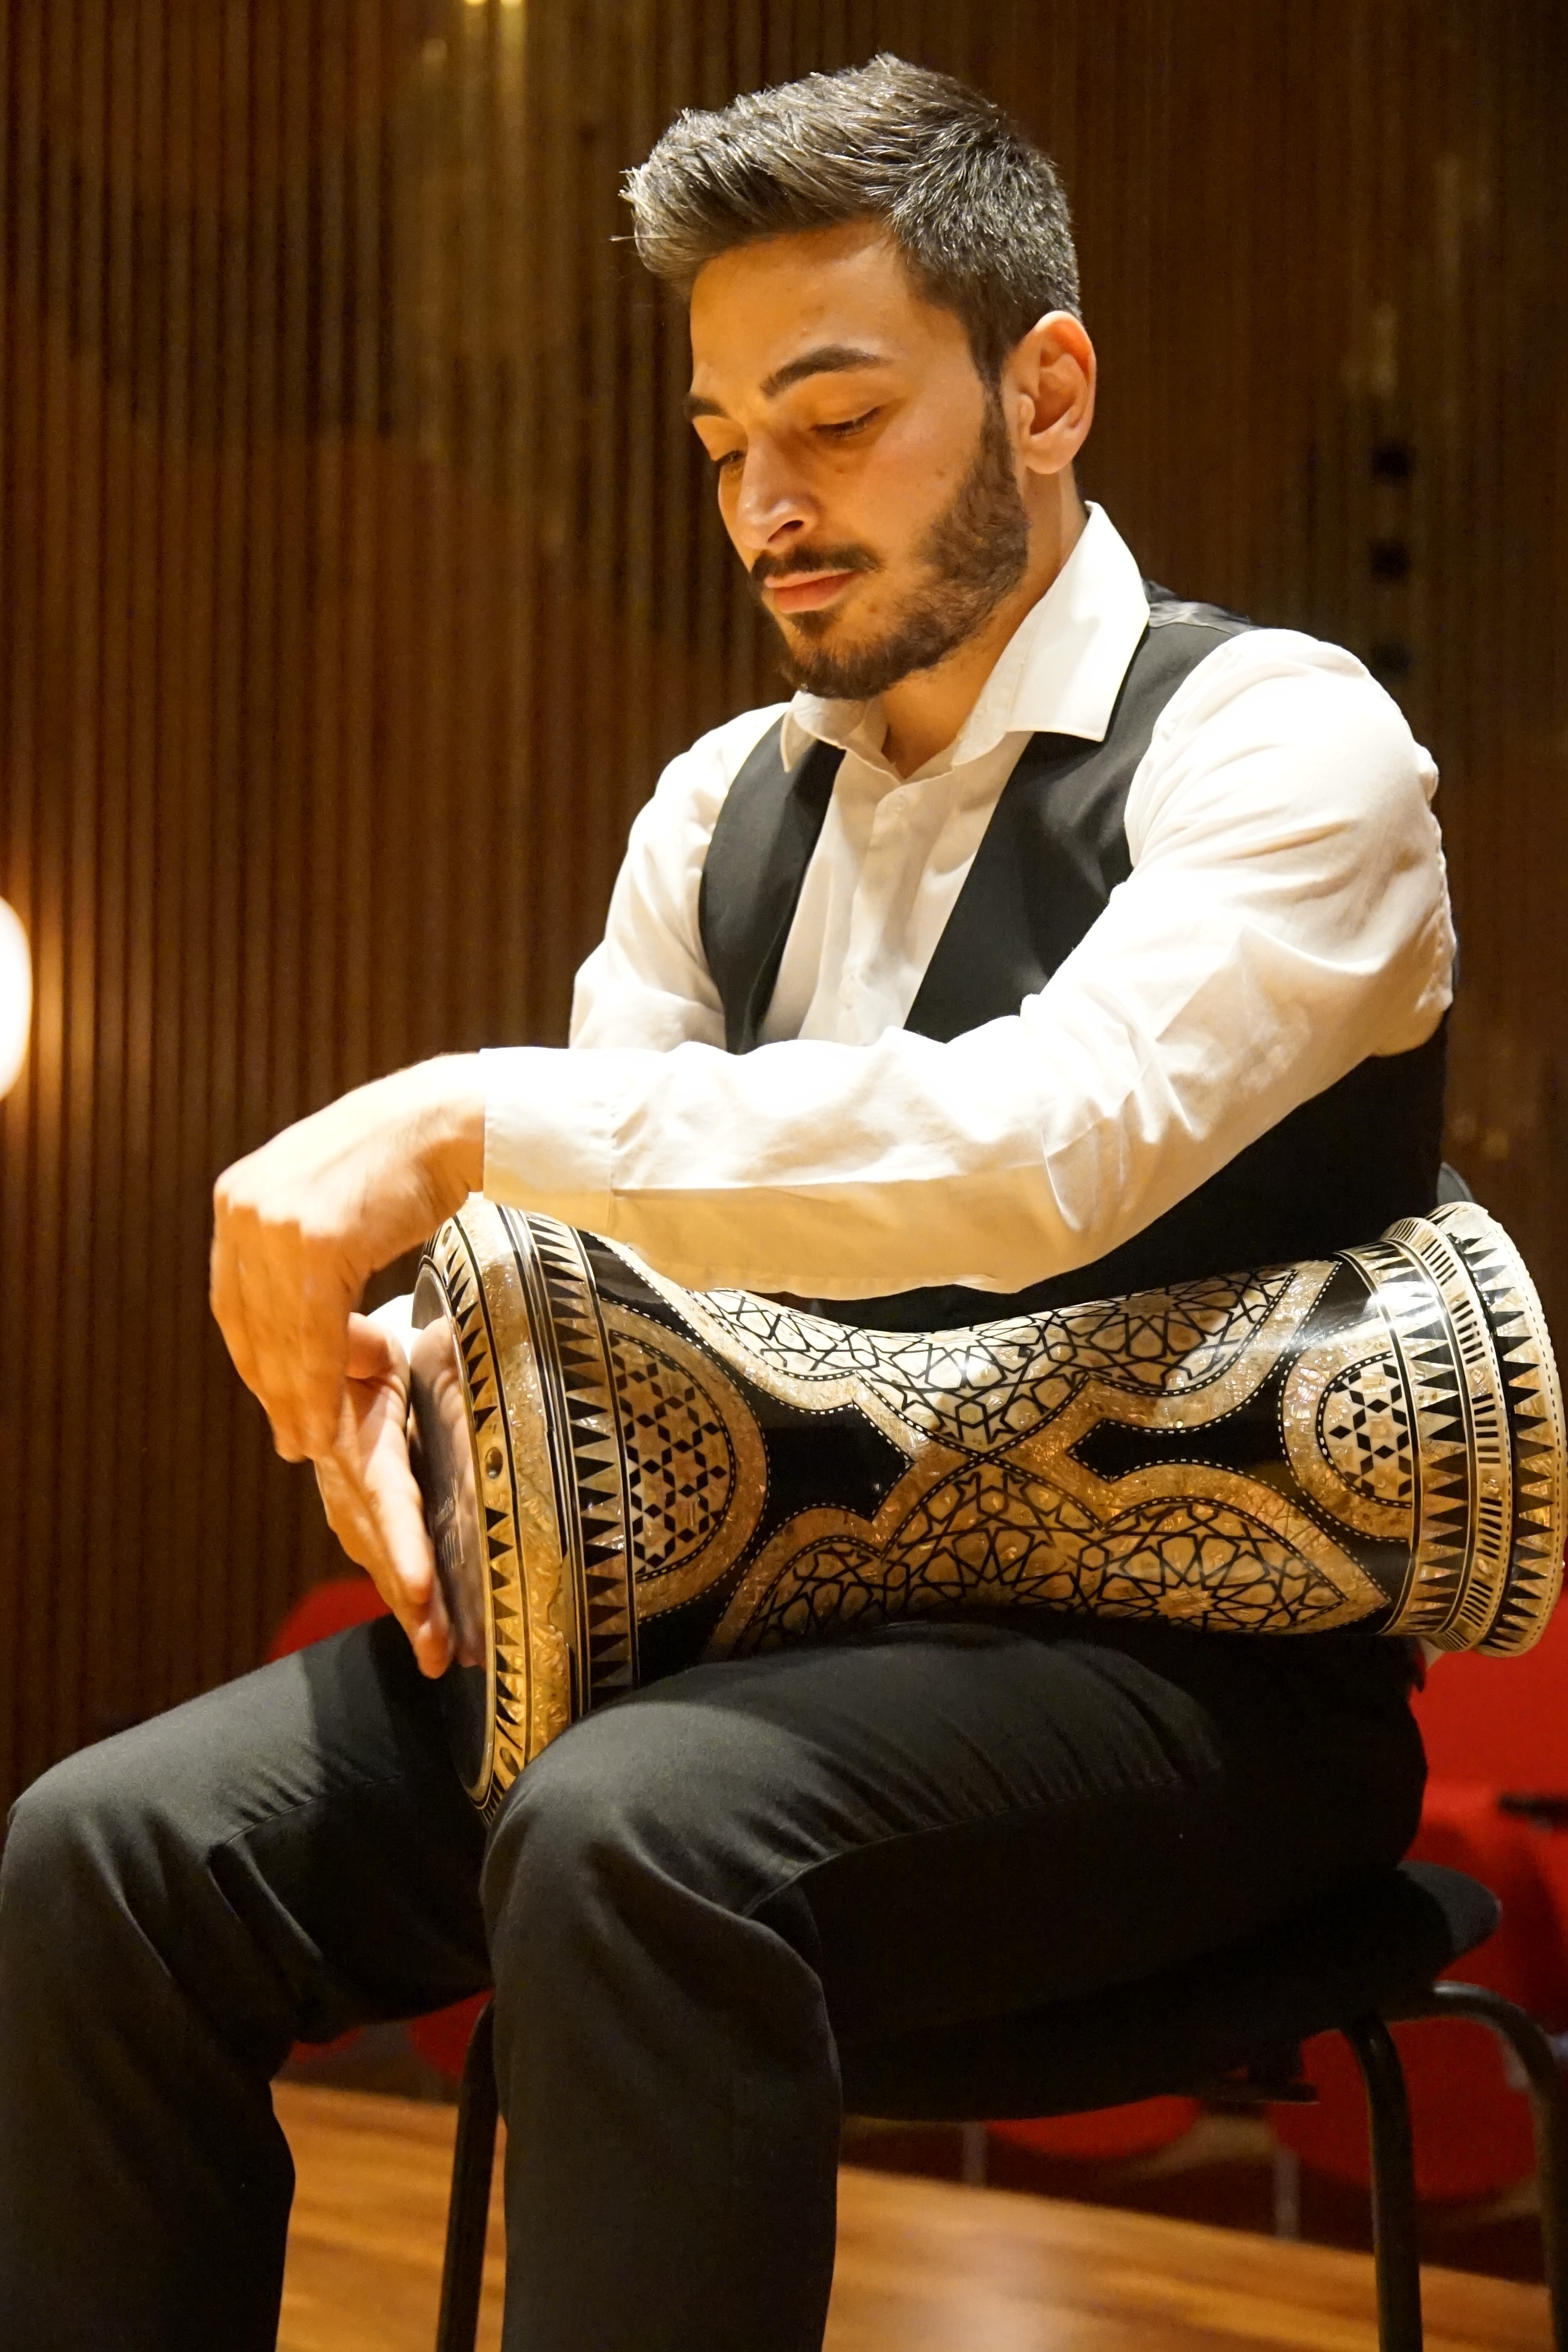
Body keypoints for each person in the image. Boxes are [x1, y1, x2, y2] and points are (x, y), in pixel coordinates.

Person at [0, 56, 1451, 2352]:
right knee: (108, 1854)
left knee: (634, 1828)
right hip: (730, 1638)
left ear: (1046, 389)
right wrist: (443, 1393)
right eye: (719, 445)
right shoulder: (719, 815)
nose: (767, 504)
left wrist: (460, 1117)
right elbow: (604, 1264)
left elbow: (1038, 1151)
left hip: (1198, 1687)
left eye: (836, 420)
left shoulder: (1286, 745)